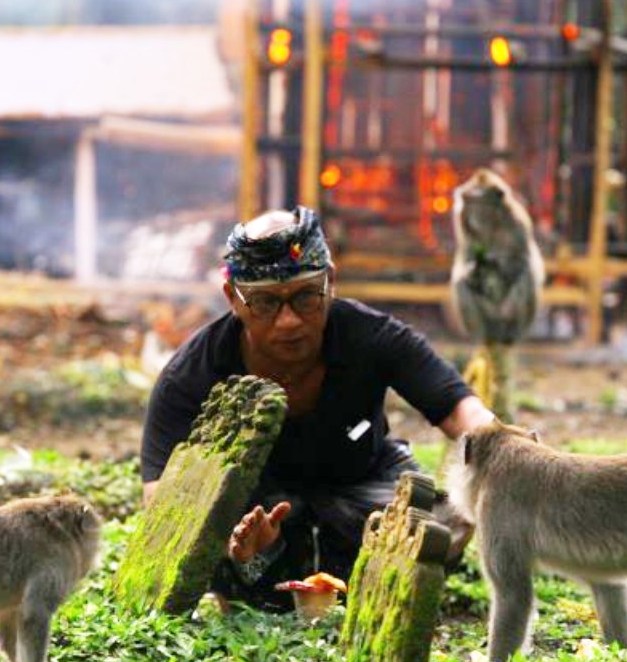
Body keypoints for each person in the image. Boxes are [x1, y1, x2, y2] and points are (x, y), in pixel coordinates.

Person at [140, 206, 494, 609]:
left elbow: (461, 412)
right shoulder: (190, 375)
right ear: (233, 300)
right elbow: (160, 502)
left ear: (331, 283)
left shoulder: (372, 336)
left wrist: (508, 454)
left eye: (306, 297)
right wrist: (230, 544)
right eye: (266, 303)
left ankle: (345, 569)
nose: (289, 321)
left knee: (443, 521)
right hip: (261, 508)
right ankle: (271, 571)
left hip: (361, 484)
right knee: (229, 553)